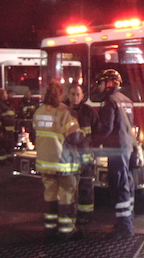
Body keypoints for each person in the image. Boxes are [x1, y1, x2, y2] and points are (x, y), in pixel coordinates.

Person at [33, 80, 84, 241]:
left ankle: (50, 227)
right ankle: (66, 230)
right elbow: (75, 136)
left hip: (44, 162)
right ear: (60, 94)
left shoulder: (39, 111)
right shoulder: (64, 112)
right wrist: (83, 133)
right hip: (62, 163)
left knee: (50, 194)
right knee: (67, 194)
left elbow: (34, 130)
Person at [92, 69, 136, 238]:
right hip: (127, 147)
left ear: (110, 83)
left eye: (101, 82)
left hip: (116, 149)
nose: (99, 86)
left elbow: (107, 128)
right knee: (127, 182)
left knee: (118, 184)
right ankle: (127, 219)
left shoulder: (109, 101)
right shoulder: (127, 100)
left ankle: (124, 227)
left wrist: (93, 141)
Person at [65, 83, 99, 225]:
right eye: (73, 94)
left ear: (83, 96)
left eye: (78, 94)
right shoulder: (63, 111)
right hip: (68, 155)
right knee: (68, 186)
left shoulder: (89, 112)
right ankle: (68, 212)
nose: (75, 97)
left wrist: (94, 151)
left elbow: (97, 133)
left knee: (85, 185)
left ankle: (85, 213)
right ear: (68, 95)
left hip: (85, 155)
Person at [0, 89, 17, 163]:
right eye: (5, 94)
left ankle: (9, 158)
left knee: (9, 144)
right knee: (2, 144)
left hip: (9, 129)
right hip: (3, 129)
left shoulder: (6, 103)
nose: (7, 95)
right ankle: (2, 160)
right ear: (1, 95)